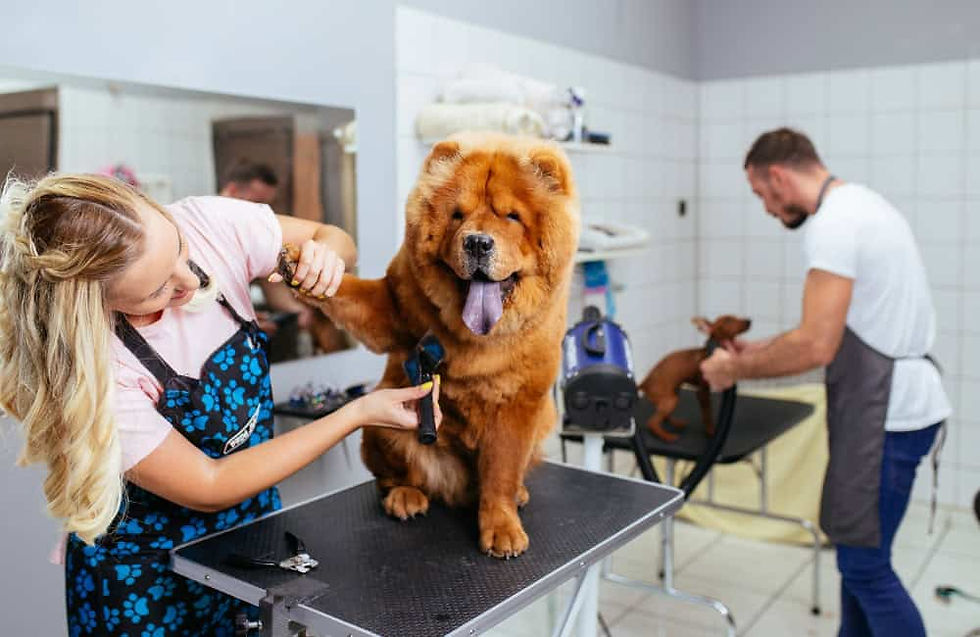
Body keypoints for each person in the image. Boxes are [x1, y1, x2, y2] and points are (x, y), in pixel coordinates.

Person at [0, 173, 441, 635]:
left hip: (252, 537)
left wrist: (325, 257)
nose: (189, 280)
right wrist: (357, 413)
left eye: (178, 250)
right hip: (143, 579)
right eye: (157, 291)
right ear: (95, 302)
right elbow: (209, 484)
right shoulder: (98, 367)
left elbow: (331, 238)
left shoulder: (206, 222)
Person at [701, 128, 950, 637]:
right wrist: (759, 351)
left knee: (864, 565)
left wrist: (733, 368)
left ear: (777, 176)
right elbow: (846, 333)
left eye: (760, 196)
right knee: (858, 559)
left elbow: (816, 345)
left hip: (888, 415)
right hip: (891, 407)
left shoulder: (833, 225)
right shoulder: (862, 205)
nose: (767, 209)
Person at [219, 160, 316, 340]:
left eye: (265, 205)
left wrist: (297, 310)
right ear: (232, 191)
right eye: (256, 202)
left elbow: (270, 281)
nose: (261, 213)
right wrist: (233, 324)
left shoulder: (252, 232)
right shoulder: (203, 231)